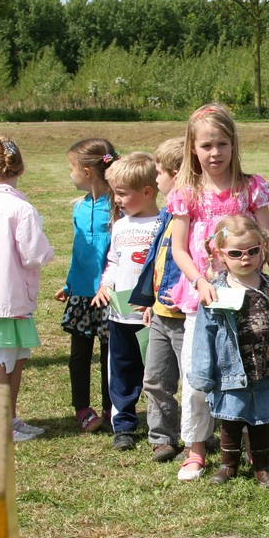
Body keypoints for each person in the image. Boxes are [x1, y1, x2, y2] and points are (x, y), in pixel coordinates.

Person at [168, 102, 269, 480]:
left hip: (249, 298)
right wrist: (200, 281)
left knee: (251, 372)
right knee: (198, 373)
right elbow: (178, 248)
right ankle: (196, 448)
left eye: (221, 143)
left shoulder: (251, 187)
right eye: (206, 145)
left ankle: (256, 450)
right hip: (203, 300)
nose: (215, 152)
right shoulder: (186, 192)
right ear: (193, 149)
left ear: (233, 144)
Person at [190, 215, 269, 487]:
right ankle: (228, 465)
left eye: (253, 251)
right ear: (220, 254)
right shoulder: (216, 293)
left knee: (261, 420)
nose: (245, 258)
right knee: (231, 419)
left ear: (263, 249)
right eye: (236, 253)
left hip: (265, 367)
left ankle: (262, 466)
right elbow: (204, 334)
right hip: (231, 370)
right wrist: (202, 373)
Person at [0, 136, 54, 441]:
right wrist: (47, 252)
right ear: (21, 168)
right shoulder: (21, 209)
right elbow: (33, 254)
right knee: (5, 358)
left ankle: (10, 417)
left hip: (0, 292)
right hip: (11, 293)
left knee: (16, 355)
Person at [92, 152, 161, 451]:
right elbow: (113, 262)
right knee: (121, 370)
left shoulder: (164, 223)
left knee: (158, 374)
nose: (117, 200)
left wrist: (155, 302)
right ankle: (123, 425)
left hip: (154, 316)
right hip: (120, 316)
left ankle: (163, 425)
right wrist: (105, 286)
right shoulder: (119, 226)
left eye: (122, 193)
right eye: (114, 193)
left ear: (147, 191)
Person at [129, 136, 186, 462]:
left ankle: (197, 438)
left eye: (159, 173)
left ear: (176, 175)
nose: (156, 179)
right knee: (155, 379)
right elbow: (157, 261)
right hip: (161, 313)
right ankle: (162, 438)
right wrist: (150, 300)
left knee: (194, 382)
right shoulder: (167, 213)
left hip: (184, 315)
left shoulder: (191, 216)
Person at [57, 138, 117, 432]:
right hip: (81, 294)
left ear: (87, 172)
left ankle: (110, 407)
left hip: (109, 295)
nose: (70, 174)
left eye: (71, 168)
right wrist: (69, 285)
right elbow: (78, 252)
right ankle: (81, 408)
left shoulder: (118, 206)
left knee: (110, 355)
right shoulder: (79, 208)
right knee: (79, 355)